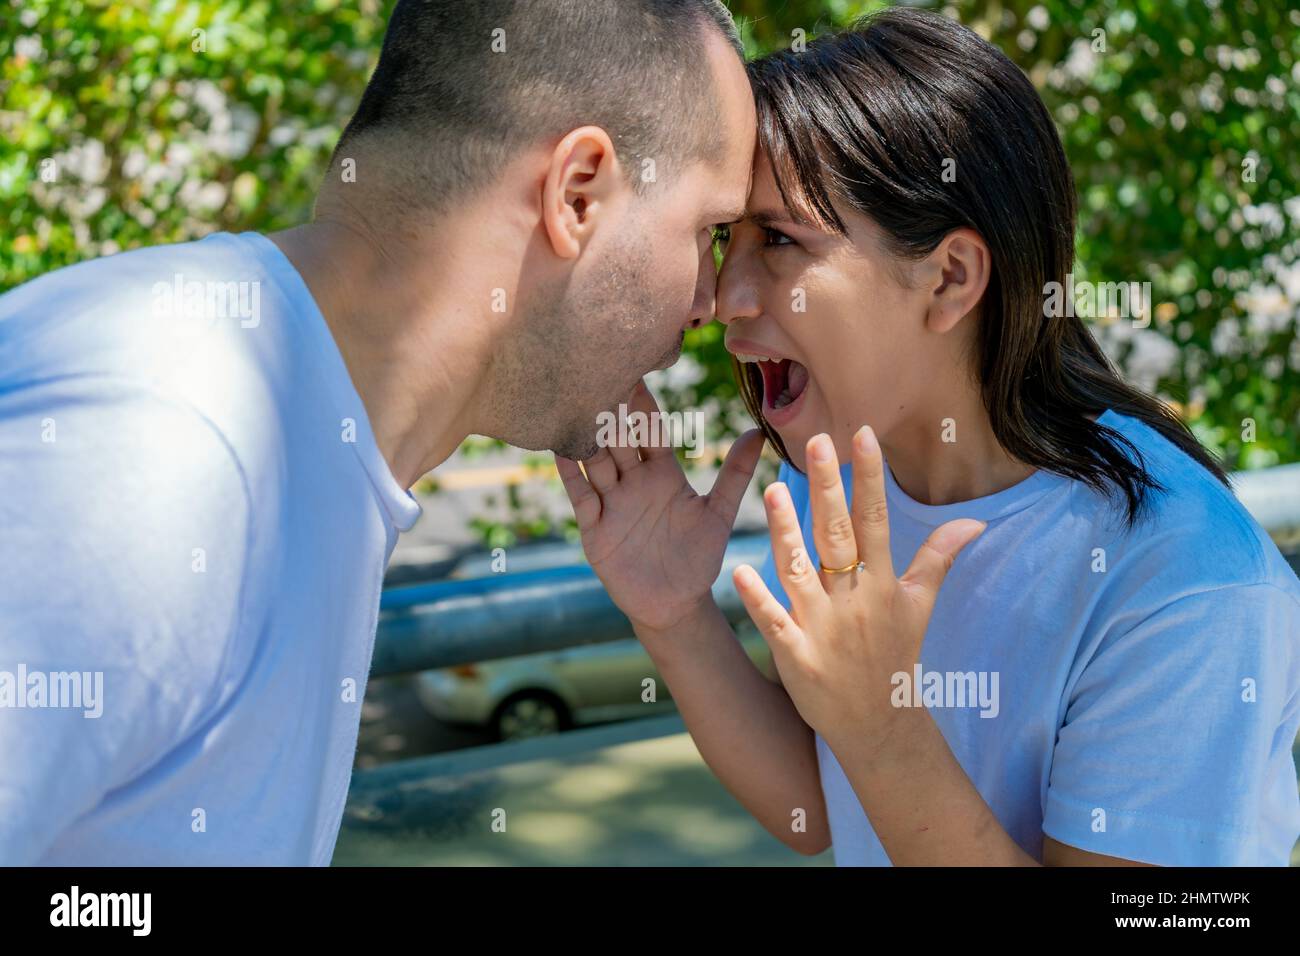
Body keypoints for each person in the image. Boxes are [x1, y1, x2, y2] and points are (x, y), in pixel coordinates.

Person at [0, 0, 758, 865]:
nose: (712, 300)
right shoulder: (168, 449)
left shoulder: (271, 422)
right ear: (578, 194)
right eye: (711, 232)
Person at [557, 8, 1300, 866]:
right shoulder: (839, 478)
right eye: (728, 238)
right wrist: (675, 615)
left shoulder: (1188, 583)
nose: (725, 297)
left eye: (780, 239)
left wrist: (884, 731)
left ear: (949, 279)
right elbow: (828, 809)